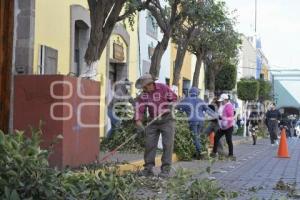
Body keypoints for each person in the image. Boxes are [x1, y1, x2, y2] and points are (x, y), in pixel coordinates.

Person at [135, 73, 177, 178]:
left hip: (167, 119)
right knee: (149, 144)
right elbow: (139, 108)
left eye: (145, 87)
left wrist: (171, 106)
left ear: (151, 84)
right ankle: (148, 169)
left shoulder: (163, 88)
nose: (144, 89)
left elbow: (175, 99)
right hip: (153, 121)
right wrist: (138, 121)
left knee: (167, 145)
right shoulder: (144, 95)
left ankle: (165, 169)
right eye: (143, 88)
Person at [176, 87, 217, 159]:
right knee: (197, 136)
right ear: (197, 93)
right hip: (201, 121)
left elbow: (177, 107)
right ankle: (198, 153)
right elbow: (207, 110)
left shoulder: (186, 100)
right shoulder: (200, 100)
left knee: (195, 137)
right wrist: (216, 116)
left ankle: (201, 152)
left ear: (189, 93)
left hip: (192, 121)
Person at [211, 93, 235, 158]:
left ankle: (231, 154)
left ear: (226, 100)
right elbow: (220, 113)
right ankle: (214, 152)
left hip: (229, 127)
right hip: (223, 127)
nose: (221, 101)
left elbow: (231, 117)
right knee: (216, 137)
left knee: (228, 140)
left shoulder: (229, 106)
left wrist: (222, 118)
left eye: (222, 100)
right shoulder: (222, 105)